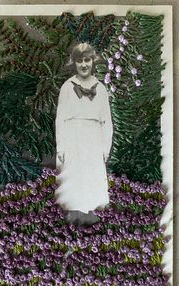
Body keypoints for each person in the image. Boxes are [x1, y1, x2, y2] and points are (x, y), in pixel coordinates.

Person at [55, 43, 113, 224]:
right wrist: (61, 146)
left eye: (87, 60)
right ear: (74, 63)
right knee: (73, 176)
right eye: (79, 61)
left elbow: (107, 121)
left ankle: (93, 222)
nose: (84, 65)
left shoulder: (101, 88)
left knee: (92, 175)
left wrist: (105, 147)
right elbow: (60, 119)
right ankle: (71, 222)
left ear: (93, 61)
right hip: (73, 138)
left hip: (94, 138)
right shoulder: (67, 87)